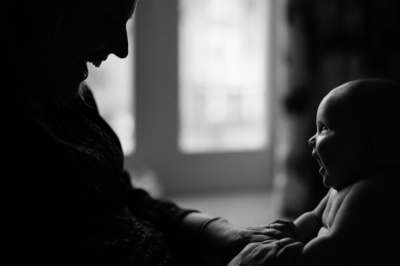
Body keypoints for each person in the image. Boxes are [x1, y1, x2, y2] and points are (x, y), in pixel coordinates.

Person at [0, 0, 294, 265]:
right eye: (108, 19)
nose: (122, 48)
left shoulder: (70, 98)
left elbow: (121, 197)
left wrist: (214, 230)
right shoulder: (16, 140)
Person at [228, 78, 400, 266]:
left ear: (369, 146)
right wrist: (293, 232)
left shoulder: (373, 190)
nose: (311, 139)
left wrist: (297, 260)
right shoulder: (342, 186)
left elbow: (336, 246)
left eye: (323, 128)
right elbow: (316, 218)